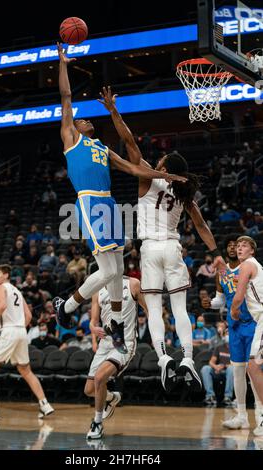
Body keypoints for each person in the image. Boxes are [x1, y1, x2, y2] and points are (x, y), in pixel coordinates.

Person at [52, 43, 185, 356]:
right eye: (81, 120)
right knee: (110, 271)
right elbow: (66, 97)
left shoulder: (101, 148)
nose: (85, 121)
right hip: (90, 202)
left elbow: (131, 167)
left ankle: (114, 326)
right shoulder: (71, 138)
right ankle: (68, 305)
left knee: (119, 266)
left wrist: (166, 176)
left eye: (86, 120)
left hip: (110, 204)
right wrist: (62, 64)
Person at [98, 86, 226, 392]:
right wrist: (217, 252)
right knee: (180, 309)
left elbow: (129, 141)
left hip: (150, 249)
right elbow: (202, 226)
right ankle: (188, 360)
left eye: (162, 160)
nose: (157, 162)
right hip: (172, 247)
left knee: (155, 309)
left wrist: (113, 112)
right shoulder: (183, 194)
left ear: (165, 168)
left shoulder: (147, 178)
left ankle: (163, 360)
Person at [0, 265, 54, 421]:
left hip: (8, 330)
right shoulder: (17, 291)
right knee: (25, 370)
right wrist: (18, 328)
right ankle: (45, 404)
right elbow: (29, 316)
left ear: (6, 275)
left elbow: (3, 305)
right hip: (21, 331)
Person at [202, 237, 258, 430]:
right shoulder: (222, 272)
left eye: (238, 245)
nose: (234, 247)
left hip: (252, 322)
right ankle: (242, 416)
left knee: (255, 371)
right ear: (226, 250)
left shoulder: (247, 267)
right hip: (234, 326)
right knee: (238, 370)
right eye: (231, 245)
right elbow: (220, 300)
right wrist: (210, 303)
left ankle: (259, 416)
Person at [84, 275, 147, 439]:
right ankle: (112, 398)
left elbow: (149, 310)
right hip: (105, 343)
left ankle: (97, 424)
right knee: (89, 390)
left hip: (124, 343)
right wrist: (93, 330)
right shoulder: (97, 289)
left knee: (99, 378)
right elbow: (93, 321)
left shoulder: (133, 284)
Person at [231, 236, 263, 436]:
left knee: (252, 366)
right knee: (254, 366)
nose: (239, 248)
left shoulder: (247, 265)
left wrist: (234, 310)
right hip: (260, 320)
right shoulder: (254, 267)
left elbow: (239, 295)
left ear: (252, 250)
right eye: (238, 245)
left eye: (244, 245)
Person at [201, 333, 234, 407]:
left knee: (231, 369)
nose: (227, 336)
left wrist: (224, 366)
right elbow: (211, 362)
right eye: (226, 334)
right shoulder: (219, 347)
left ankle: (227, 397)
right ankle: (210, 396)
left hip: (228, 371)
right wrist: (215, 367)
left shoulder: (236, 348)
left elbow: (236, 364)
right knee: (205, 368)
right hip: (218, 371)